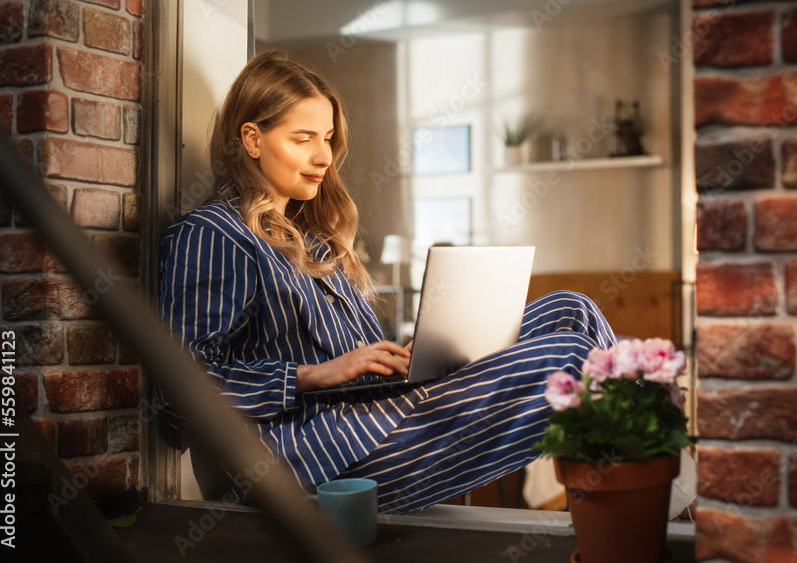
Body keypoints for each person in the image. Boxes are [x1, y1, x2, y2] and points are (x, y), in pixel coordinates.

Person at [155, 51, 616, 514]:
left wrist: (405, 357)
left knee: (572, 310)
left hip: (373, 414)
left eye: (329, 138)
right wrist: (310, 376)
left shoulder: (314, 240)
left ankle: (635, 500)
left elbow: (353, 362)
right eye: (303, 138)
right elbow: (178, 389)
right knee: (572, 358)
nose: (323, 156)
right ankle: (639, 511)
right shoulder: (214, 234)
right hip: (312, 457)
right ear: (252, 140)